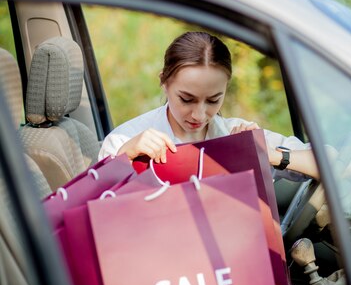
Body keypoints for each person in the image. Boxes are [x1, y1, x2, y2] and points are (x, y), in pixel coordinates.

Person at [99, 31, 319, 179]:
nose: (199, 114)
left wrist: (268, 154)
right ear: (164, 83)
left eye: (213, 100)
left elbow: (331, 166)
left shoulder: (236, 133)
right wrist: (123, 157)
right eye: (186, 99)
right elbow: (95, 207)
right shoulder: (126, 140)